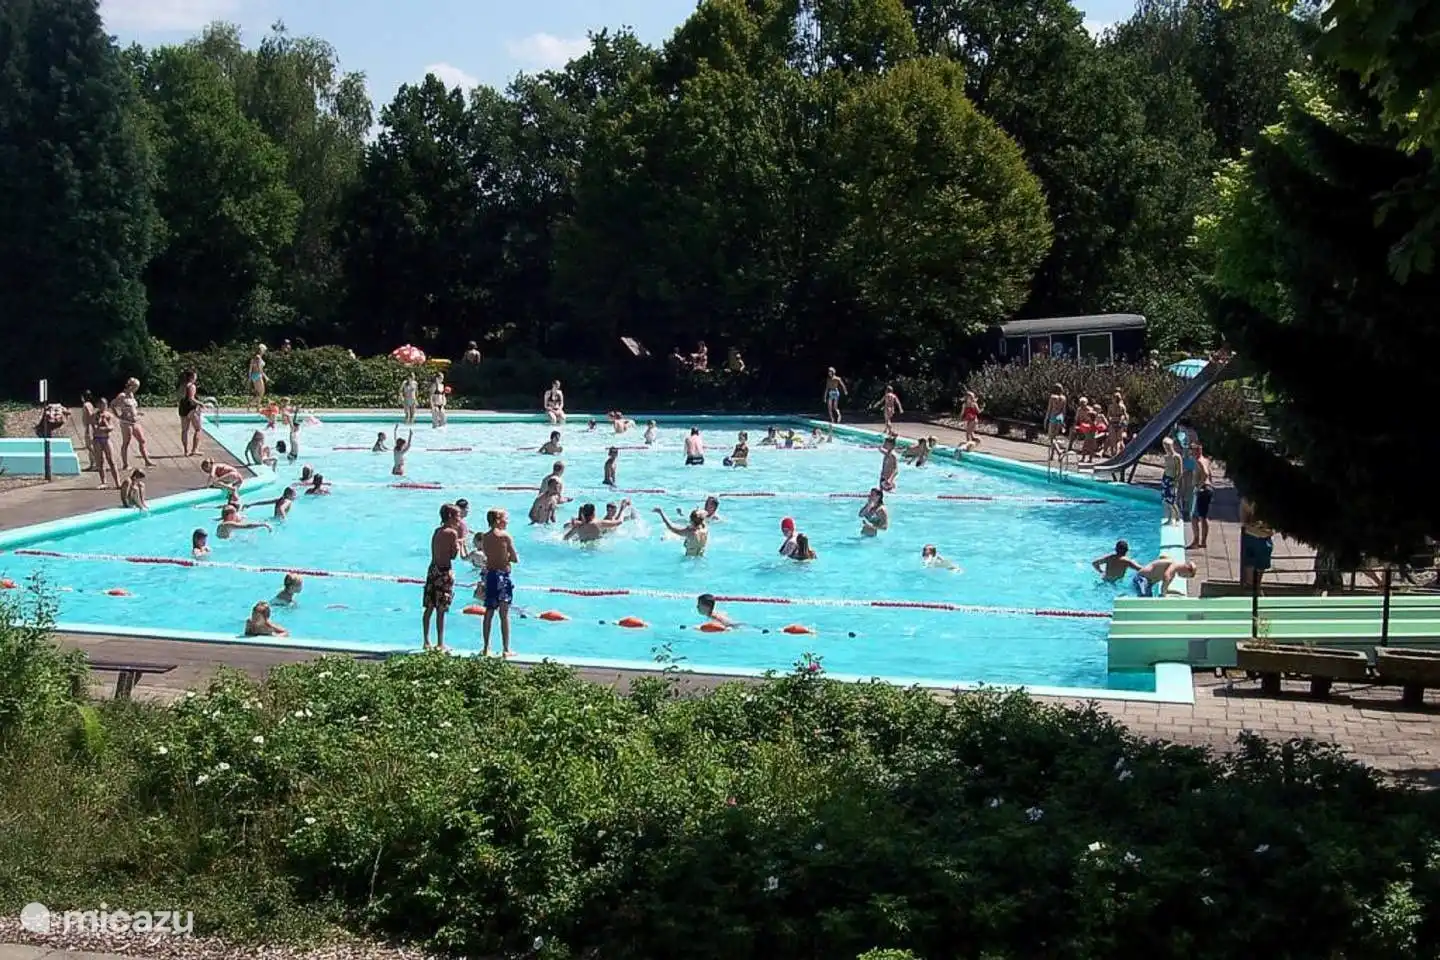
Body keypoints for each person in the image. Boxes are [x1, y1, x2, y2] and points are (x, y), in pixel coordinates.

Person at [422, 503, 462, 651]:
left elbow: (435, 551)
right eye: (457, 516)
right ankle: (440, 643)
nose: (459, 519)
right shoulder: (452, 533)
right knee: (441, 609)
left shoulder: (437, 531)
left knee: (429, 607)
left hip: (433, 569)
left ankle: (426, 641)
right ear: (450, 517)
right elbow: (452, 555)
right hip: (444, 572)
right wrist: (457, 545)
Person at [479, 509, 519, 657]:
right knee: (504, 614)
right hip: (502, 576)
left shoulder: (485, 537)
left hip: (490, 576)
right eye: (505, 519)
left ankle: (485, 648)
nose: (507, 521)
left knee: (488, 612)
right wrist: (508, 558)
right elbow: (515, 558)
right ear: (498, 520)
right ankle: (506, 649)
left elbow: (488, 556)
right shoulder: (505, 536)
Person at [115, 378, 154, 470]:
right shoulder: (122, 396)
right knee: (126, 442)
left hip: (135, 421)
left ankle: (147, 461)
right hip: (126, 422)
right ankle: (125, 464)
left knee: (142, 440)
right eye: (135, 387)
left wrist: (137, 413)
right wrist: (118, 415)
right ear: (130, 386)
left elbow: (133, 407)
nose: (136, 389)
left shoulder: (131, 395)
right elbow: (113, 404)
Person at [1239, 497, 1274, 589]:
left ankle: (1256, 589)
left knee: (1260, 566)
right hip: (1252, 537)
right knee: (1251, 566)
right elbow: (1244, 522)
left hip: (1264, 538)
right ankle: (1253, 589)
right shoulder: (1248, 500)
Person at [90, 398, 121, 489]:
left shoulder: (109, 415)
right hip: (97, 439)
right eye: (101, 405)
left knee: (111, 461)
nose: (103, 407)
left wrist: (105, 422)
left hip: (106, 439)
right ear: (98, 406)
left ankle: (117, 482)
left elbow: (111, 427)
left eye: (104, 405)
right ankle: (103, 482)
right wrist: (101, 422)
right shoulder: (94, 415)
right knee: (100, 461)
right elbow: (95, 428)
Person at [1188, 443, 1214, 550]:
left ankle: (1196, 541)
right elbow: (1210, 475)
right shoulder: (1206, 460)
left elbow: (1206, 474)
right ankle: (1203, 542)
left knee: (1194, 517)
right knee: (1203, 517)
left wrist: (1198, 487)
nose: (1191, 452)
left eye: (1192, 450)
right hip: (1208, 489)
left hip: (1202, 490)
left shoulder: (1199, 461)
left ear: (1197, 451)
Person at [565, 501, 632, 541]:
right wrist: (622, 509)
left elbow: (565, 538)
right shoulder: (599, 523)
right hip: (596, 551)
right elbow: (619, 522)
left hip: (582, 550)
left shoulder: (578, 526)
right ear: (593, 513)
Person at [1131, 557, 1198, 597]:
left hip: (1148, 584)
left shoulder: (1172, 575)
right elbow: (1166, 576)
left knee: (1149, 602)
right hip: (1141, 579)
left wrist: (1178, 593)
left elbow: (1165, 589)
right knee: (1144, 600)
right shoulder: (1173, 564)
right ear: (1186, 568)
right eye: (1185, 576)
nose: (1183, 577)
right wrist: (1163, 596)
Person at [177, 369, 202, 457]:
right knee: (198, 429)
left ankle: (185, 451)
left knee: (184, 431)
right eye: (195, 376)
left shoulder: (182, 386)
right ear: (192, 377)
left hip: (182, 409)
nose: (196, 377)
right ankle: (194, 450)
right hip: (191, 409)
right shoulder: (192, 386)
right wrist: (201, 403)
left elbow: (179, 397)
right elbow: (191, 399)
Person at [1160, 437, 1183, 525]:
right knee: (1166, 500)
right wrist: (1163, 480)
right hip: (1166, 479)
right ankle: (1170, 518)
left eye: (1167, 446)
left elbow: (1180, 471)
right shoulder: (1166, 457)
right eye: (1165, 446)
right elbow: (1166, 469)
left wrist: (1176, 482)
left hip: (1173, 480)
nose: (1166, 448)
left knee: (1172, 501)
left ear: (1171, 446)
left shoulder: (1177, 457)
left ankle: (1177, 517)